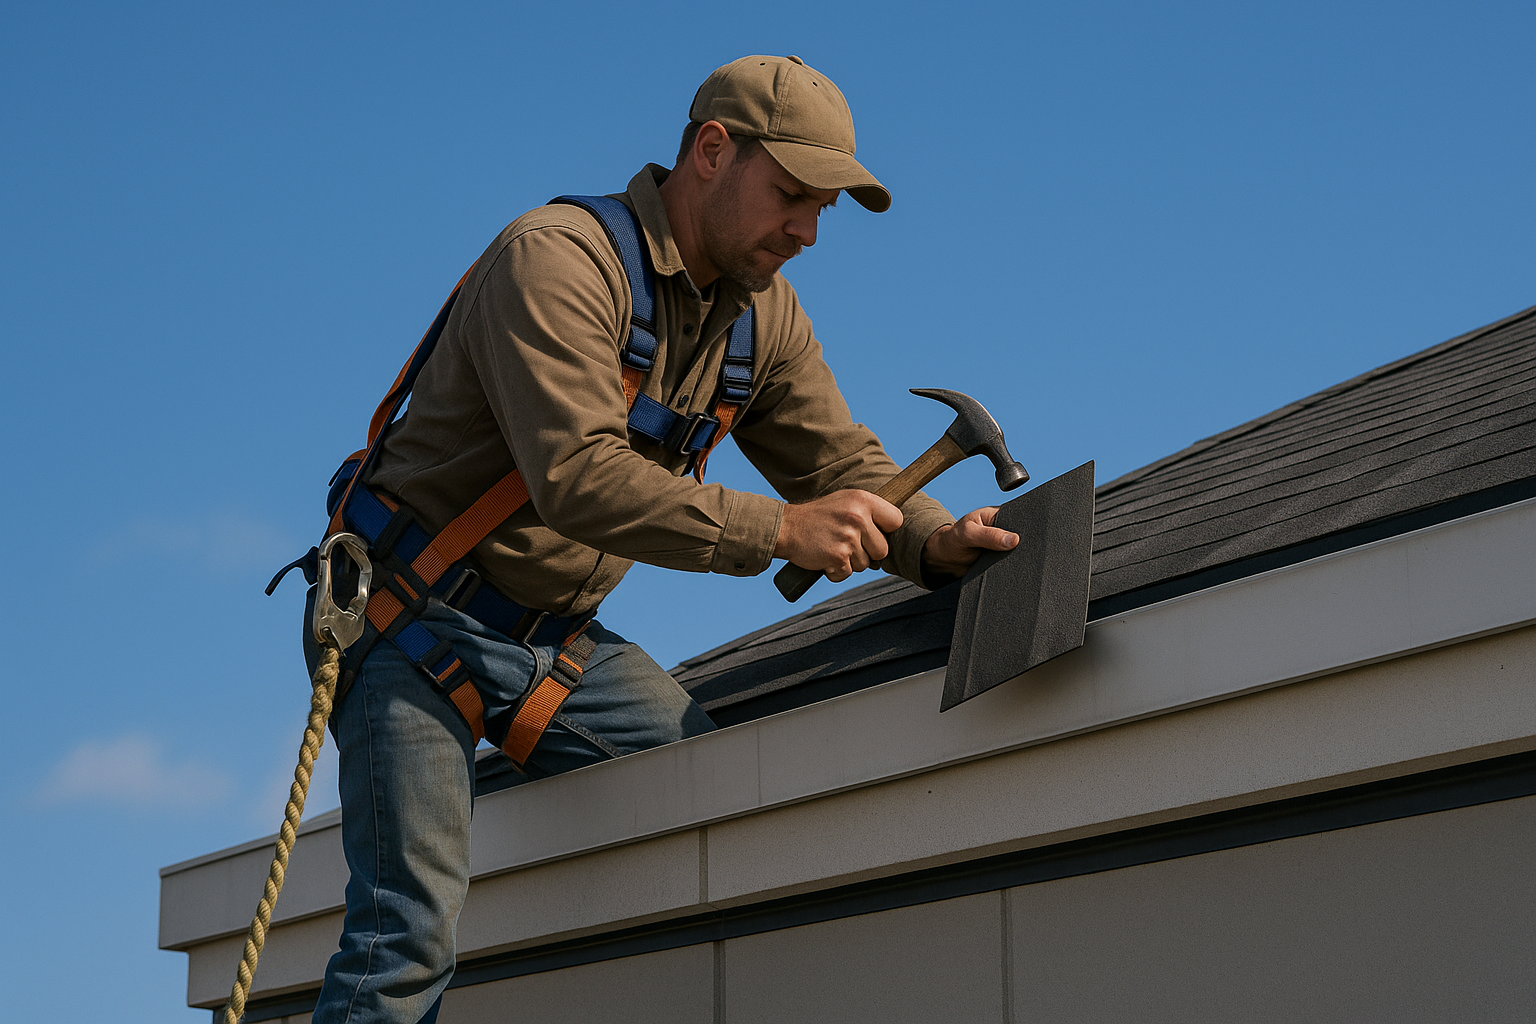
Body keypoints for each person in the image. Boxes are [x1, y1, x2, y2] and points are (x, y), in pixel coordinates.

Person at [307, 54, 1019, 1024]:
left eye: (824, 211)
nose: (808, 232)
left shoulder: (762, 319)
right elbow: (580, 480)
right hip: (411, 624)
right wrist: (779, 530)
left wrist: (934, 542)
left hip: (556, 643)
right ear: (711, 153)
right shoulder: (556, 261)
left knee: (719, 809)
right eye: (792, 196)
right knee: (407, 935)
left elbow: (836, 461)